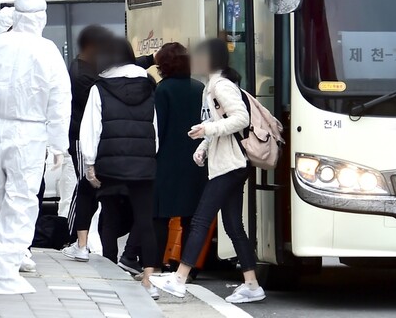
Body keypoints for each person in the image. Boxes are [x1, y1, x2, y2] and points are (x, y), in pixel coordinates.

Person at [151, 38, 265, 304]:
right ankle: (251, 283)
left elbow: (240, 119)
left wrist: (208, 131)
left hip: (230, 164)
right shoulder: (212, 86)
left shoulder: (221, 86)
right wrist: (204, 144)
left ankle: (179, 278)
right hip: (232, 163)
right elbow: (221, 123)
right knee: (234, 226)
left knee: (201, 219)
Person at [0, 0, 71, 295]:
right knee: (21, 201)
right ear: (40, 18)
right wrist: (59, 145)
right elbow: (59, 100)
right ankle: (5, 269)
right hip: (29, 133)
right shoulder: (47, 50)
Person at [78, 36, 160, 300]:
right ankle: (149, 278)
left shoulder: (99, 87)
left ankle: (106, 267)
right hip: (143, 163)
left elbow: (91, 128)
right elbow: (154, 127)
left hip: (109, 163)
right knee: (145, 221)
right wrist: (149, 155)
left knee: (107, 211)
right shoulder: (149, 85)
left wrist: (90, 163)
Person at [151, 42, 206, 269]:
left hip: (166, 161)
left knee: (160, 216)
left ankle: (154, 264)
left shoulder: (163, 89)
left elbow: (158, 128)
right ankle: (186, 268)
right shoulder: (200, 87)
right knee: (191, 217)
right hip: (195, 160)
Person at [64, 25, 111, 258]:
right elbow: (105, 86)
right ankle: (74, 237)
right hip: (83, 139)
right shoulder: (82, 75)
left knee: (90, 187)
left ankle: (79, 239)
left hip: (88, 137)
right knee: (85, 186)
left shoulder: (87, 67)